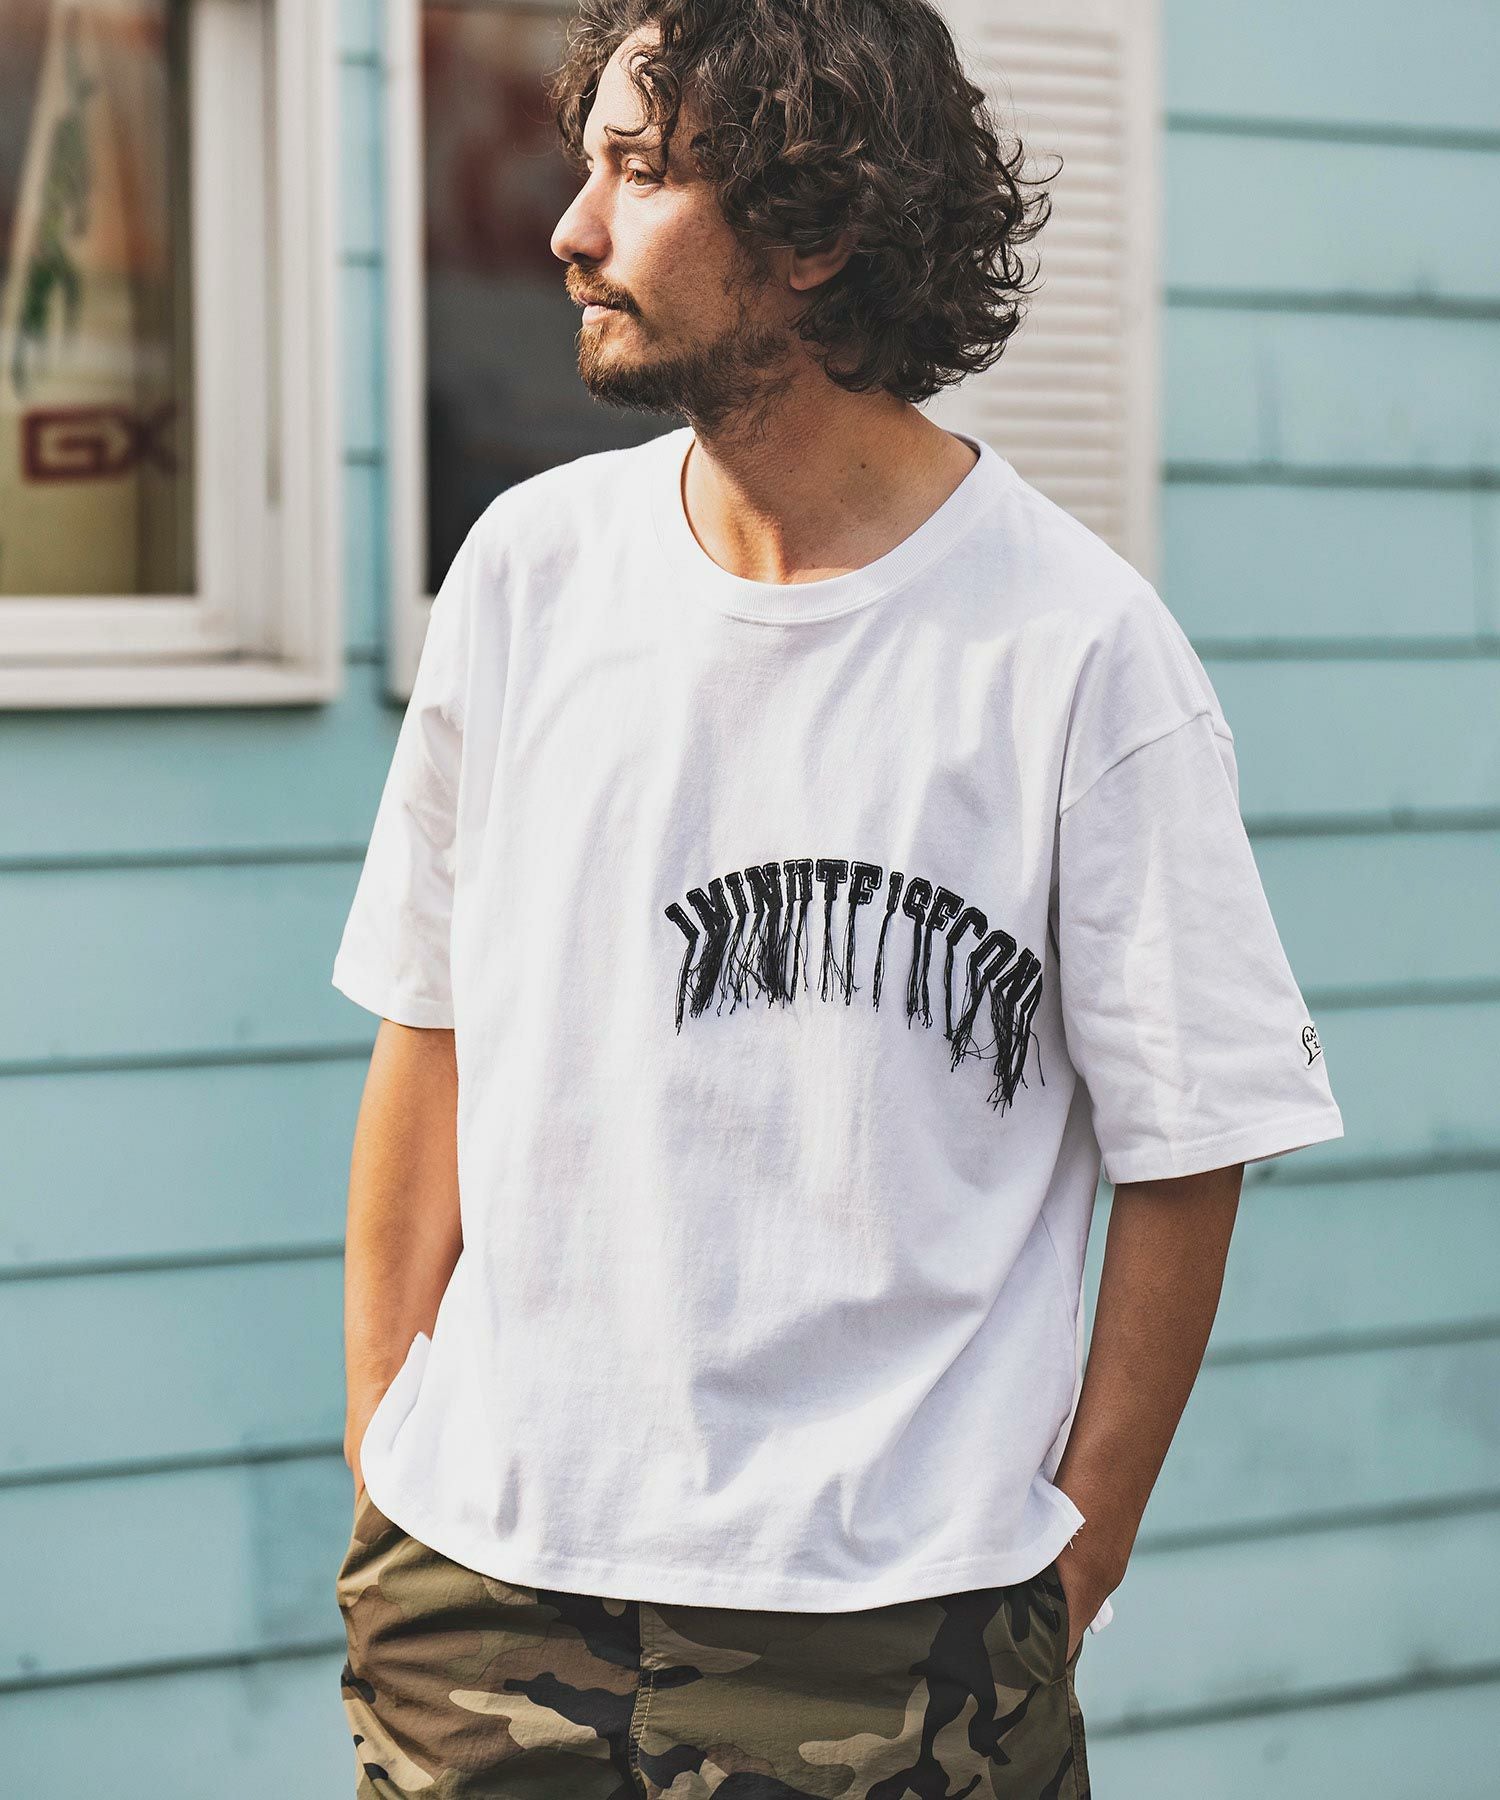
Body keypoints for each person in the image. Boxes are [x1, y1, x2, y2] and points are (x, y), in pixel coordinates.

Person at [330, 2, 1345, 1794]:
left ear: (811, 231)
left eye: (642, 174)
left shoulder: (1076, 651)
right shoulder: (526, 576)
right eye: (587, 166)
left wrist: (1070, 1562)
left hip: (894, 1636)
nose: (570, 227)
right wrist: (387, 1451)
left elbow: (1194, 1145)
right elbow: (433, 1029)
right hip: (480, 1608)